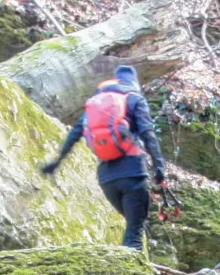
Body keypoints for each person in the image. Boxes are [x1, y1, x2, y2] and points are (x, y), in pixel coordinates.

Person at [41, 65, 167, 251]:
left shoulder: (96, 105)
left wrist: (56, 162)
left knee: (133, 227)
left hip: (107, 179)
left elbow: (75, 134)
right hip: (133, 174)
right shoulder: (134, 99)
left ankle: (131, 269)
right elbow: (148, 134)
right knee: (135, 231)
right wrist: (159, 166)